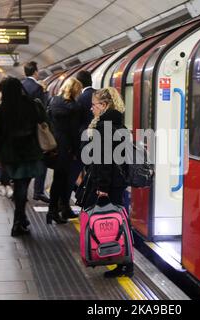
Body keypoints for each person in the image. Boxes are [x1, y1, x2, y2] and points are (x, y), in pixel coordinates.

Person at [82, 87, 132, 278]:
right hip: (116, 181)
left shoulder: (105, 126)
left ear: (104, 105)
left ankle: (124, 262)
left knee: (116, 223)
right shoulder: (117, 122)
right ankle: (121, 260)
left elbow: (104, 159)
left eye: (94, 105)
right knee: (120, 221)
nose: (91, 109)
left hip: (109, 183)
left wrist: (102, 188)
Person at [0, 77, 47, 236]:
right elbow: (44, 122)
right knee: (23, 185)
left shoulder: (2, 108)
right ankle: (19, 220)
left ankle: (20, 220)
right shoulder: (32, 104)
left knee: (18, 184)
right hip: (30, 152)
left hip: (10, 154)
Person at [46, 77, 83, 224]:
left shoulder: (54, 101)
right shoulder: (74, 107)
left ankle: (53, 211)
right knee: (60, 181)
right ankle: (53, 211)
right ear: (75, 90)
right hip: (66, 147)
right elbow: (74, 131)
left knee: (57, 180)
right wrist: (75, 150)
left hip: (54, 144)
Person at [22, 61, 50, 204]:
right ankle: (38, 191)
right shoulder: (37, 88)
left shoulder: (20, 86)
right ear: (35, 72)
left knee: (24, 163)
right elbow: (42, 109)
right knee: (41, 162)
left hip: (21, 131)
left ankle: (22, 192)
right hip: (35, 131)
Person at [71, 70, 96, 198]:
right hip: (99, 139)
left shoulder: (80, 98)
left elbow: (76, 121)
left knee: (78, 169)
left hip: (84, 139)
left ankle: (82, 194)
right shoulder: (99, 95)